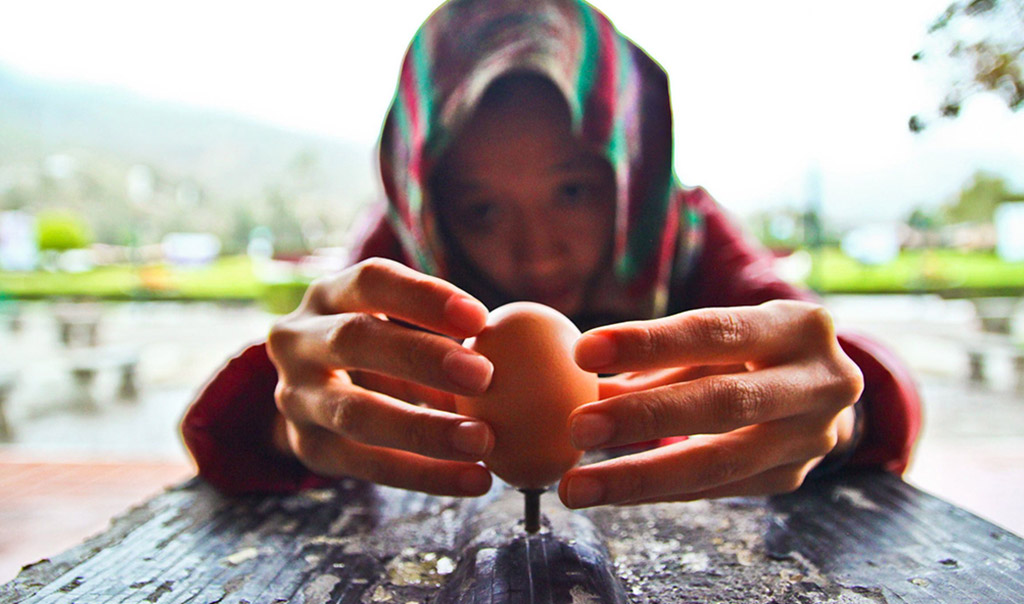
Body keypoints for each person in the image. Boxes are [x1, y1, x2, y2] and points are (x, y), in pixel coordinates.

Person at [181, 0, 920, 507]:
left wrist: (834, 413)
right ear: (430, 206)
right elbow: (276, 401)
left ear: (631, 176)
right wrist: (292, 420)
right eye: (481, 208)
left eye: (572, 192)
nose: (535, 254)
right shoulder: (405, 258)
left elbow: (820, 359)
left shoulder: (683, 234)